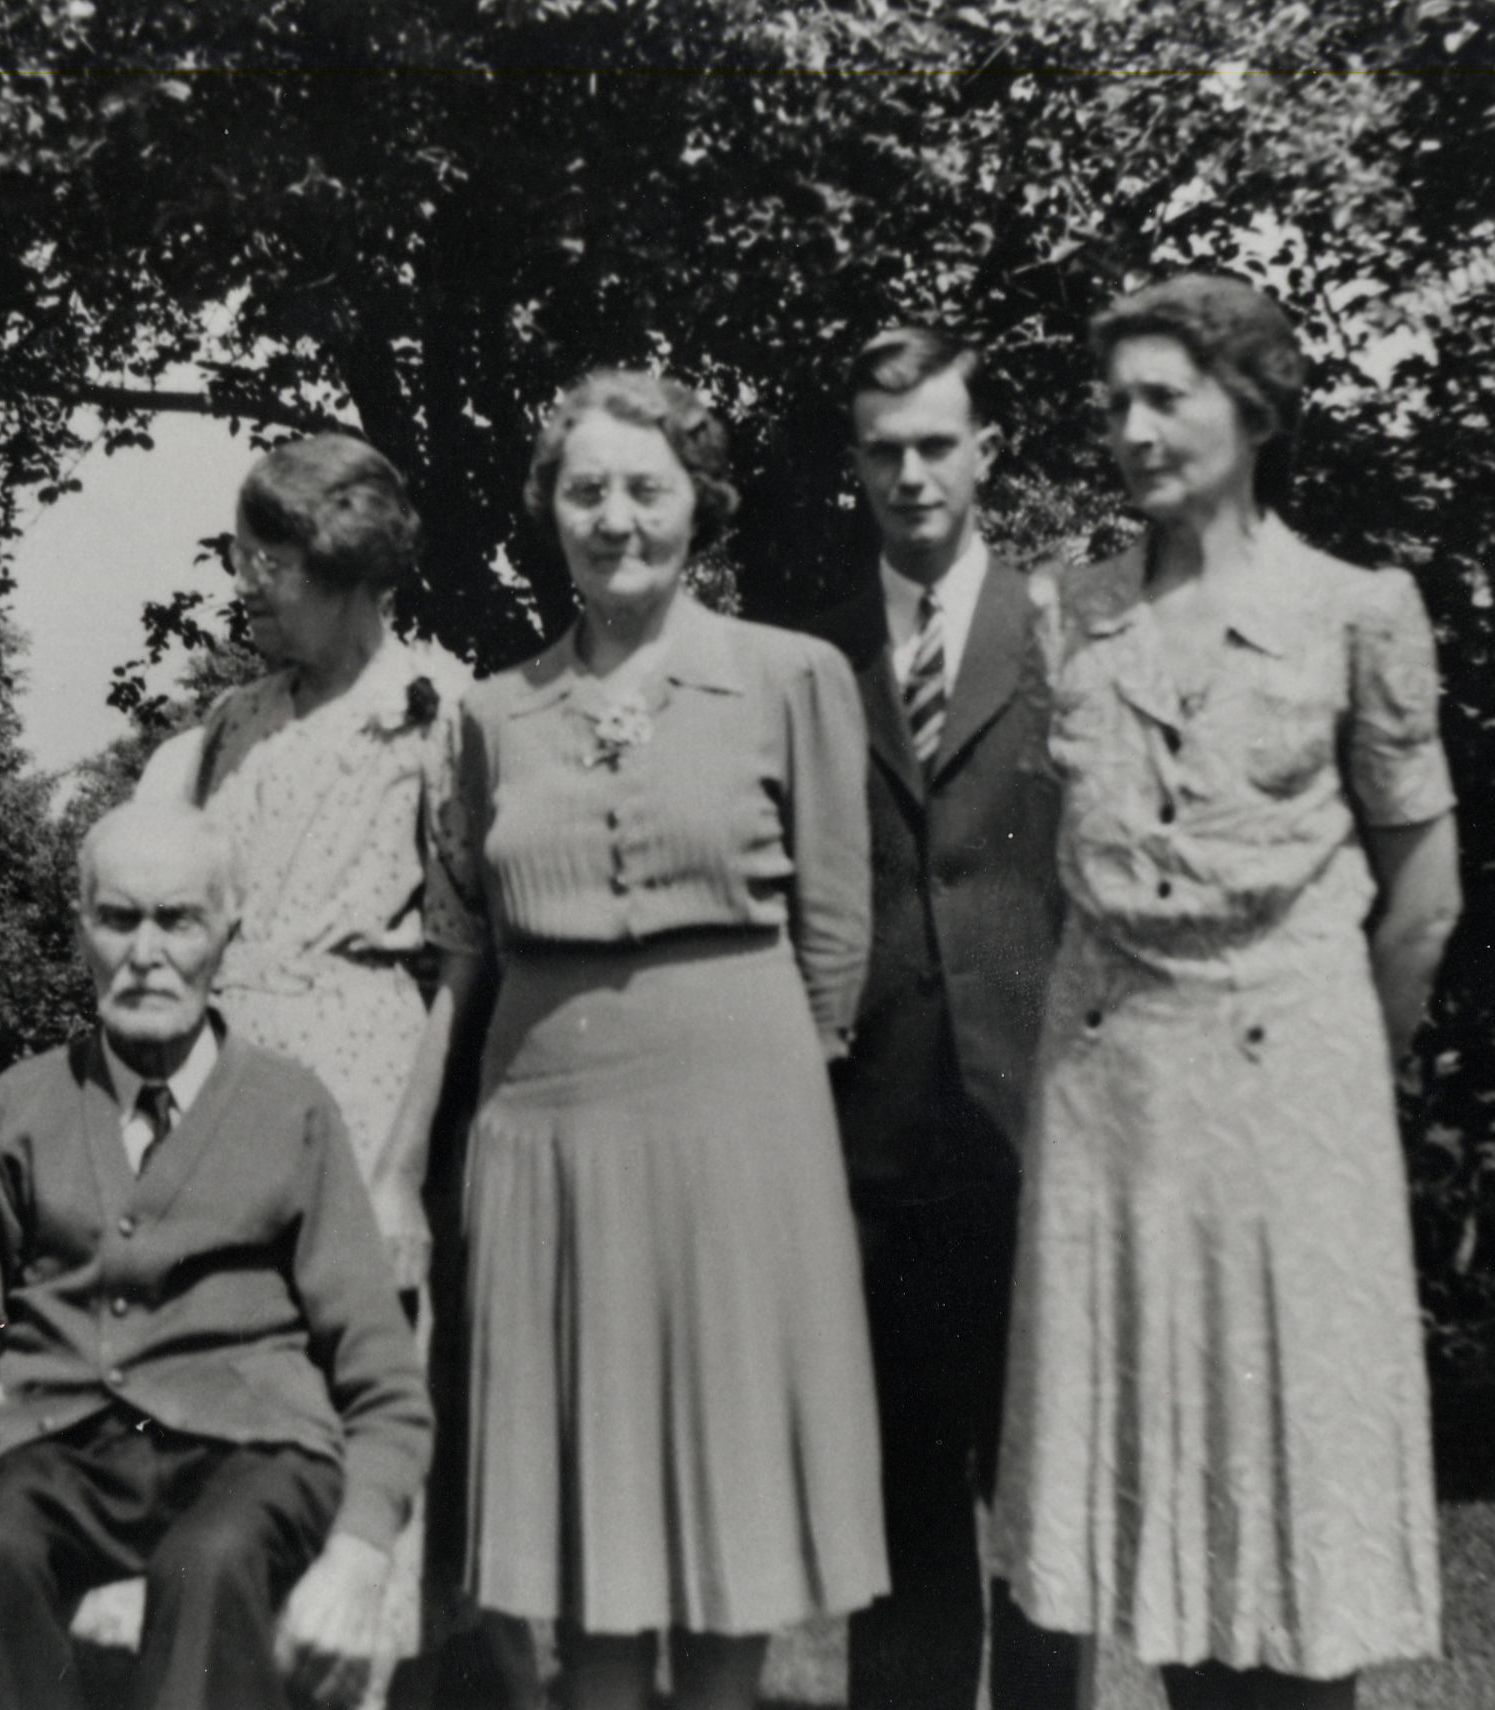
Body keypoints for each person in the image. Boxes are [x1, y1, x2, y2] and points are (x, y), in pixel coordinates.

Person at [993, 274, 1464, 1710]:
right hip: (1114, 1105)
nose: (1131, 431)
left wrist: (1336, 1077)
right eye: (1113, 406)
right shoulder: (1068, 615)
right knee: (1155, 1504)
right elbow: (1043, 872)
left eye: (1165, 397)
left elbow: (1424, 892)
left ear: (1254, 409)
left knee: (1287, 1492)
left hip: (1291, 1109)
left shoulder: (1354, 612)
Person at [429, 370, 887, 1710]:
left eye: (646, 487)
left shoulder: (789, 677)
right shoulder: (492, 712)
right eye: (585, 491)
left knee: (726, 1506)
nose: (614, 518)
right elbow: (472, 926)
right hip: (548, 1138)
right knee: (586, 1521)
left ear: (702, 504)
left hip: (740, 1128)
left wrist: (778, 1113)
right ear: (549, 514)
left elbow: (837, 928)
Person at [0, 798, 435, 1710]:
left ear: (228, 932)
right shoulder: (20, 1108)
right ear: (82, 930)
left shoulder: (291, 1110)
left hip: (258, 1453)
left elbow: (380, 1370)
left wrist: (362, 1544)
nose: (146, 953)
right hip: (63, 1449)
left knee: (209, 1561)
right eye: (119, 918)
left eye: (178, 920)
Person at [133, 431, 494, 1710]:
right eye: (243, 556)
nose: (246, 584)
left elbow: (462, 957)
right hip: (225, 1098)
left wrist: (400, 1173)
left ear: (347, 564)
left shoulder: (440, 713)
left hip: (363, 1091)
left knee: (352, 1416)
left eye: (271, 562)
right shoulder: (229, 726)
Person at [798, 326, 1084, 1710]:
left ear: (987, 452)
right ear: (855, 464)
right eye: (882, 450)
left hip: (1039, 1121)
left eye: (934, 445)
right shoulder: (811, 652)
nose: (909, 475)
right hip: (872, 1131)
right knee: (899, 1510)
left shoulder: (1067, 636)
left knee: (1040, 1515)